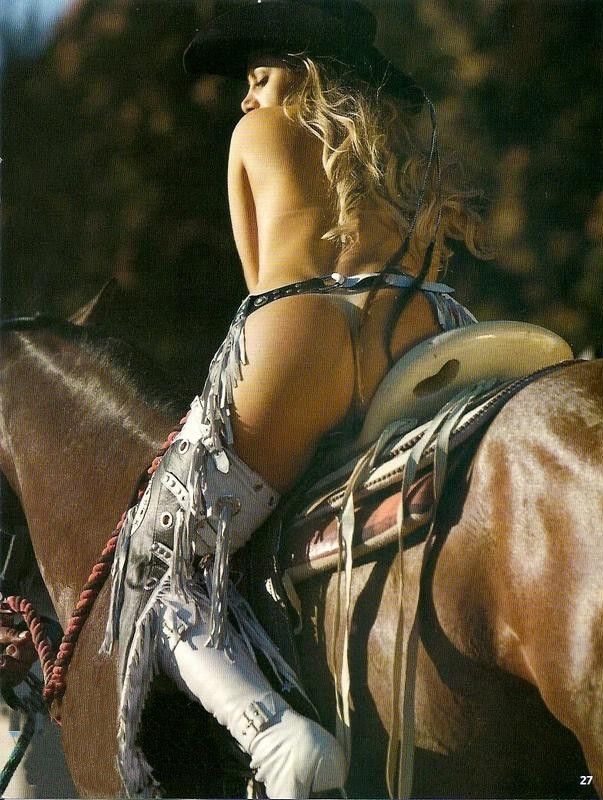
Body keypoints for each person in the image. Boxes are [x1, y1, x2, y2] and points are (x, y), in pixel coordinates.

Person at [101, 1, 490, 797]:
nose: (246, 97)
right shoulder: (402, 151)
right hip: (422, 327)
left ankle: (271, 735)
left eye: (257, 76)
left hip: (301, 333)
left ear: (304, 70)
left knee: (156, 564)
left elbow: (261, 280)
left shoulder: (256, 134)